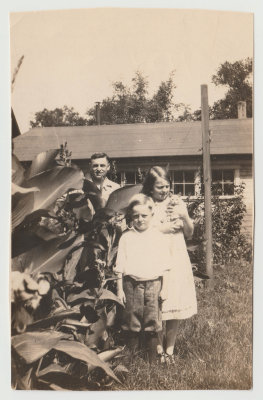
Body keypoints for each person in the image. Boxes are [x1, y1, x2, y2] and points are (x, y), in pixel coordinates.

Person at [142, 166, 197, 364]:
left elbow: (189, 233)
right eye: (159, 187)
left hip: (176, 255)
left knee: (175, 300)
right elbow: (142, 231)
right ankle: (158, 348)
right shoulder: (145, 204)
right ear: (150, 188)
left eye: (167, 186)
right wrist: (164, 229)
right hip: (155, 256)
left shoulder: (176, 202)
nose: (164, 191)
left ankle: (170, 349)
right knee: (157, 302)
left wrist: (184, 216)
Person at [115, 194, 171, 363]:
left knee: (152, 322)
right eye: (136, 216)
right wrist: (119, 289)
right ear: (131, 217)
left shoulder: (158, 237)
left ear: (152, 216)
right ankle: (131, 360)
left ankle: (151, 362)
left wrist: (165, 288)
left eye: (144, 216)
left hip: (154, 284)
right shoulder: (126, 237)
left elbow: (166, 266)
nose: (140, 220)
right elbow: (120, 265)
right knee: (131, 321)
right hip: (130, 284)